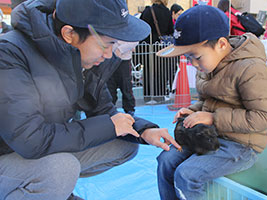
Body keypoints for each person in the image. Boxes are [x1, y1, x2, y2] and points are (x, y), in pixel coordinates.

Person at [0, 0, 181, 200]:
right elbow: (29, 139)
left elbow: (105, 111)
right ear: (69, 34)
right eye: (107, 44)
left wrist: (144, 130)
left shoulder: (76, 55)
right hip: (8, 155)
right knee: (61, 170)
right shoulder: (9, 54)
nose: (109, 54)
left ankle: (51, 190)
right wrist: (110, 126)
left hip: (34, 151)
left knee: (125, 144)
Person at [156, 5, 267, 200]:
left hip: (241, 145)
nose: (193, 64)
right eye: (188, 57)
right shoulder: (208, 65)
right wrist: (193, 111)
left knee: (187, 174)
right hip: (210, 136)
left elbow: (262, 118)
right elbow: (206, 101)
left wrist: (212, 118)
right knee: (166, 159)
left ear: (221, 44)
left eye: (196, 56)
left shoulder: (252, 69)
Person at [140, 0, 176, 103]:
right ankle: (160, 95)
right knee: (161, 71)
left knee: (148, 71)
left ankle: (148, 96)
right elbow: (170, 30)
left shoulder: (147, 11)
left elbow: (142, 30)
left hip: (148, 46)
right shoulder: (167, 12)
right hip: (162, 47)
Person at [107, 41, 138, 116]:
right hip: (109, 58)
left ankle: (129, 109)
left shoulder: (130, 29)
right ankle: (110, 108)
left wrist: (120, 49)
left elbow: (135, 41)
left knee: (126, 85)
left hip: (124, 59)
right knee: (110, 86)